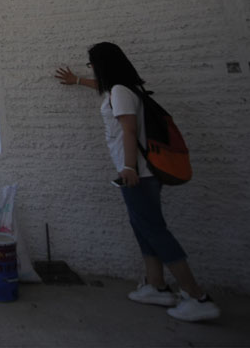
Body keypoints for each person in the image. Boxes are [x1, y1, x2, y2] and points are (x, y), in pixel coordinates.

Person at [54, 42, 220, 322]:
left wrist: (129, 167)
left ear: (103, 64)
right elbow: (103, 89)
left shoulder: (120, 92)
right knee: (144, 228)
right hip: (138, 174)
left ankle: (197, 296)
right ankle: (156, 286)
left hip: (138, 174)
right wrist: (78, 80)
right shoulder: (122, 89)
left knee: (155, 231)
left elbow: (129, 131)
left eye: (92, 64)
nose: (91, 68)